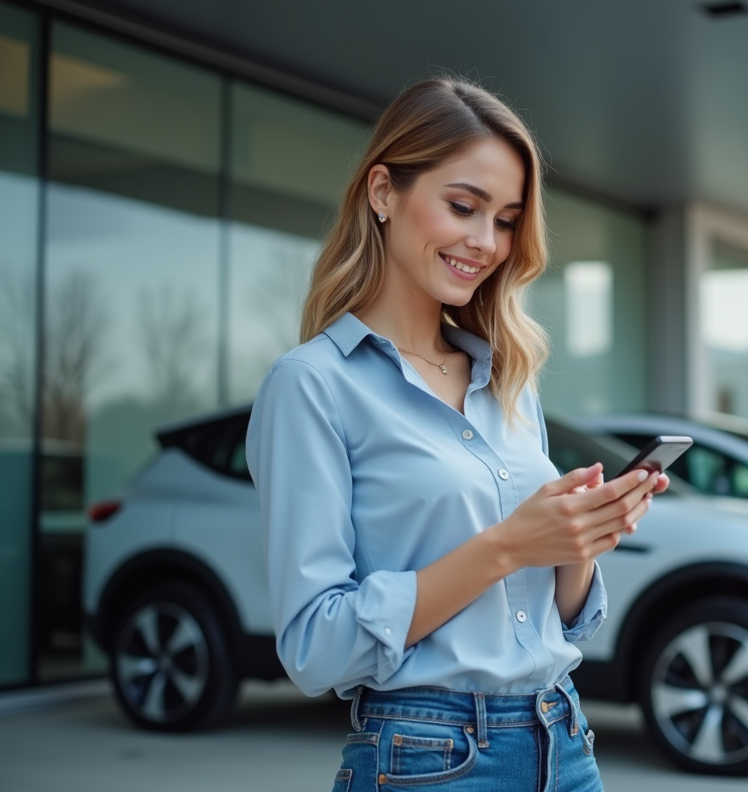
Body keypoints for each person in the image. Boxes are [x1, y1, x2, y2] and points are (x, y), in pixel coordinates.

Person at [245, 77, 666, 792]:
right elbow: (316, 649)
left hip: (563, 740)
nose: (486, 242)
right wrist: (507, 545)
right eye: (463, 207)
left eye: (505, 219)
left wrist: (576, 543)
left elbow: (557, 620)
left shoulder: (507, 376)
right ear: (383, 192)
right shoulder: (312, 385)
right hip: (430, 759)